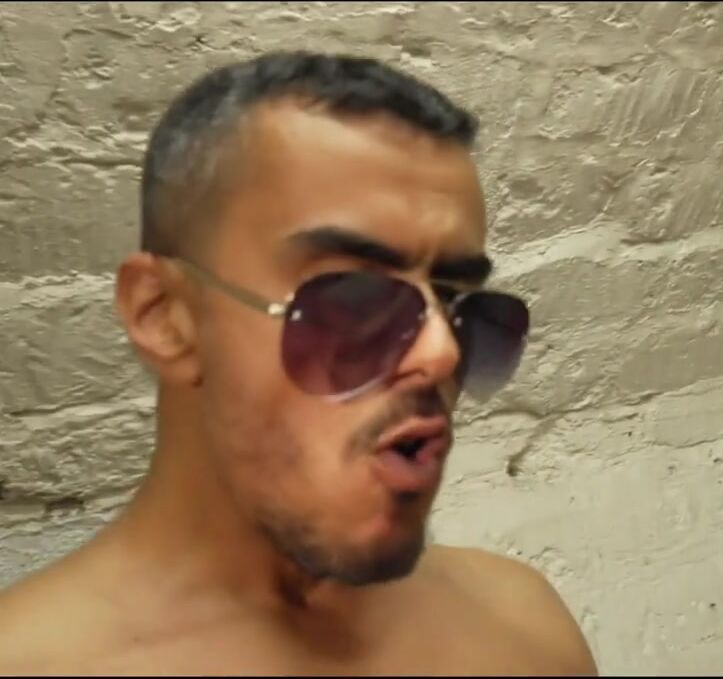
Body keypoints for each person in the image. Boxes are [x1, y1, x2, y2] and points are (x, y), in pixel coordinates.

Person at [0, 51, 597, 675]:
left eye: (456, 304)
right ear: (165, 316)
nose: (441, 352)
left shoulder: (524, 628)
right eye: (352, 298)